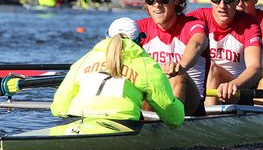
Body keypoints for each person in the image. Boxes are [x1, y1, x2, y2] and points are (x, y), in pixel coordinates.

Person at [50, 17, 184, 128]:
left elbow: (58, 108)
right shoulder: (147, 65)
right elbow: (174, 118)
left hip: (76, 121)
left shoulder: (83, 61)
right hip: (123, 124)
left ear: (106, 37)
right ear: (139, 41)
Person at [137, 0, 208, 116]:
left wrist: (180, 66)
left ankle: (173, 120)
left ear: (176, 0)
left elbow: (198, 43)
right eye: (151, 0)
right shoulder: (139, 28)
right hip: (155, 96)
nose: (157, 5)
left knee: (176, 73)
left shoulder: (193, 25)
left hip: (192, 104)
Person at [189, 0, 263, 105]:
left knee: (213, 70)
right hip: (201, 90)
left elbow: (256, 68)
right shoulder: (197, 18)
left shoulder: (249, 24)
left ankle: (207, 119)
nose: (222, 6)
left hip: (236, 91)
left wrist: (234, 84)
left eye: (228, 0)